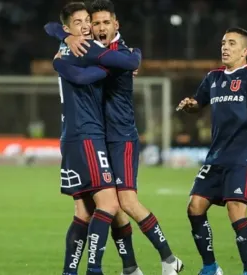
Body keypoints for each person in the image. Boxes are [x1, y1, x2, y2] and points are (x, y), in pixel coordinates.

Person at [45, 1, 184, 274]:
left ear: (116, 24)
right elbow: (52, 29)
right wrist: (64, 43)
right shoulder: (86, 47)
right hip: (91, 136)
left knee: (121, 203)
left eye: (101, 22)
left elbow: (132, 60)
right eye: (90, 23)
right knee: (106, 206)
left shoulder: (113, 51)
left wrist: (60, 58)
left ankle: (166, 260)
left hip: (119, 137)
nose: (94, 27)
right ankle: (125, 268)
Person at [176, 27, 247, 275]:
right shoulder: (213, 77)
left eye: (232, 43)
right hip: (215, 156)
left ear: (245, 51)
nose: (225, 47)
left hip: (242, 155)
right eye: (223, 43)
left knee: (236, 209)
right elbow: (198, 105)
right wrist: (190, 105)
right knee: (195, 206)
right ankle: (210, 267)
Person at [51, 2, 142, 275]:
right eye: (78, 23)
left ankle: (71, 271)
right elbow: (81, 76)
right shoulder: (78, 51)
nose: (86, 26)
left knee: (85, 211)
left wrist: (62, 39)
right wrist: (120, 64)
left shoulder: (75, 46)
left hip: (79, 135)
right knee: (111, 204)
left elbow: (50, 27)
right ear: (68, 28)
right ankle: (95, 269)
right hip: (86, 135)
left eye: (86, 21)